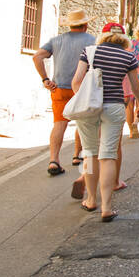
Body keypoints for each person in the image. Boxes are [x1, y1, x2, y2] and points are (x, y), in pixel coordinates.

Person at [71, 30, 139, 222]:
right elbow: (136, 86)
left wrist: (82, 99)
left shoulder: (89, 51)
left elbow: (77, 80)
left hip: (89, 108)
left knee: (90, 153)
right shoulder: (128, 56)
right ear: (122, 43)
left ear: (102, 41)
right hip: (114, 106)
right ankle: (107, 208)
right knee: (108, 155)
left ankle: (91, 199)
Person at [32, 10, 95, 177]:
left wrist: (45, 79)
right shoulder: (92, 41)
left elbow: (37, 57)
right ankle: (77, 155)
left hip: (58, 88)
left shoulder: (56, 40)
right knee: (82, 121)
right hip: (81, 88)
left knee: (59, 123)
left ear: (70, 25)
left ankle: (54, 160)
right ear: (86, 24)